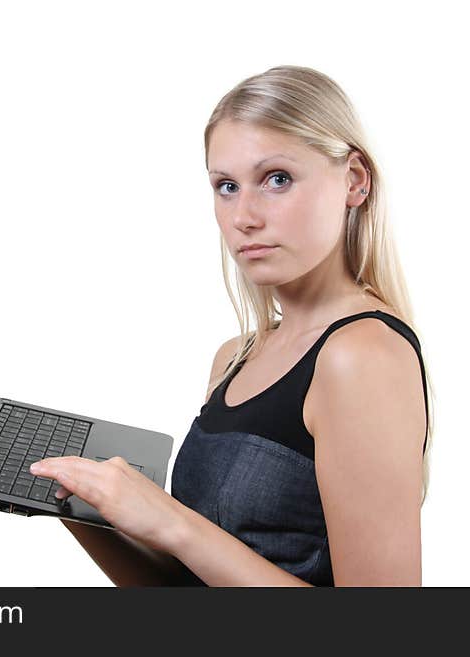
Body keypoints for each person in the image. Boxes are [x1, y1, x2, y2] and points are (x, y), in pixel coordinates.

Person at [29, 65, 434, 586]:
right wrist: (84, 507)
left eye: (277, 179)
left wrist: (171, 521)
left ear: (354, 180)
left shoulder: (362, 356)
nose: (244, 215)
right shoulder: (237, 357)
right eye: (226, 186)